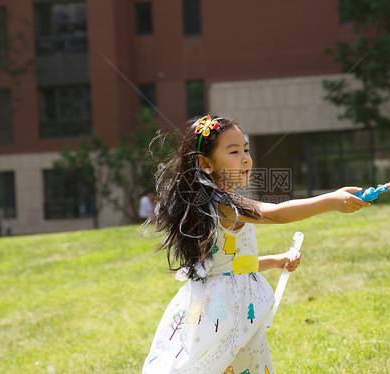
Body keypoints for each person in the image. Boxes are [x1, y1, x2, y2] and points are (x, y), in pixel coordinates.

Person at [142, 115, 369, 374]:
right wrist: (330, 201)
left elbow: (228, 267)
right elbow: (276, 213)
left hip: (219, 309)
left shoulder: (210, 204)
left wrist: (276, 260)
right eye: (234, 151)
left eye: (246, 149)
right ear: (206, 164)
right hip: (228, 314)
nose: (245, 158)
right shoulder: (224, 204)